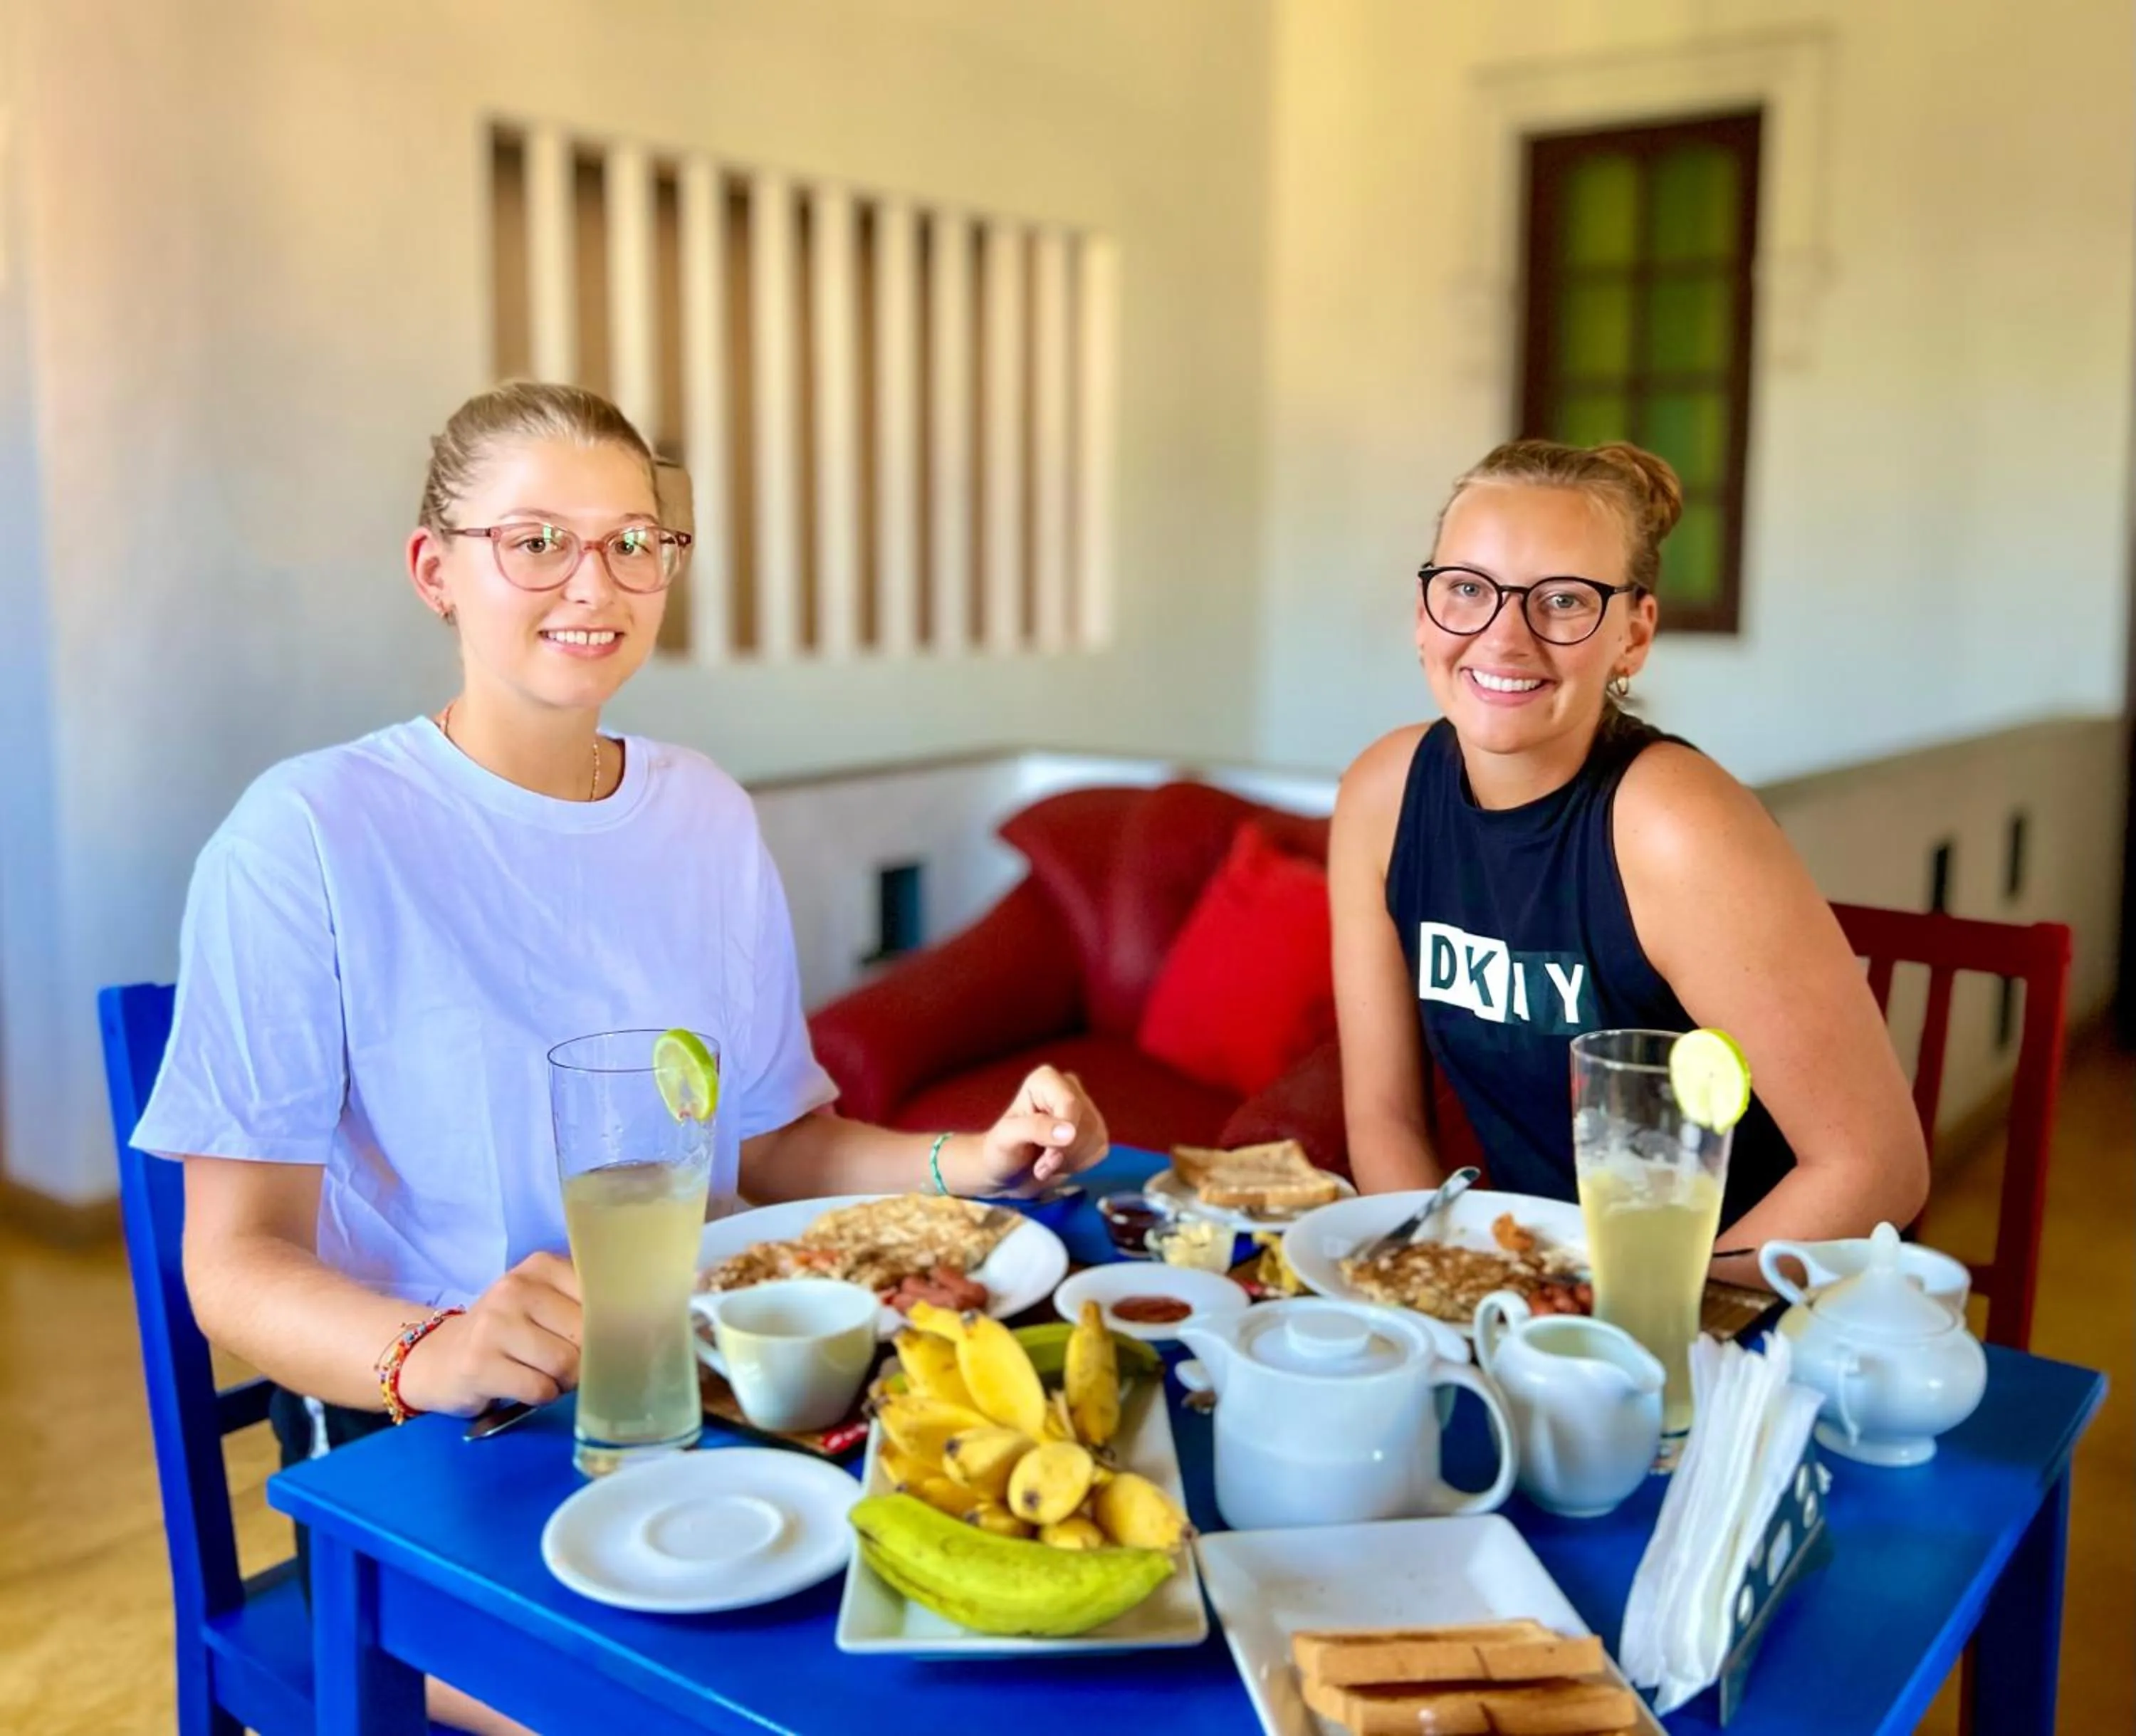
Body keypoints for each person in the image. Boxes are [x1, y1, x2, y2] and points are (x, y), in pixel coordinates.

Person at [132, 382, 1109, 1735]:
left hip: (691, 1393)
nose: (596, 581)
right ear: (437, 569)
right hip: (432, 1446)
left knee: (975, 1640)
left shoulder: (701, 810)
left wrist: (971, 1158)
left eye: (635, 542)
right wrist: (440, 1347)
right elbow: (231, 1263)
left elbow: (771, 1147)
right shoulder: (307, 834)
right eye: (535, 540)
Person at [1330, 439, 1926, 1278]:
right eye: (1467, 589)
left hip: (1738, 1302)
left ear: (1634, 633)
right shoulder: (1379, 797)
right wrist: (1451, 1292)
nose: (1504, 638)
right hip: (1544, 1291)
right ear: (1424, 613)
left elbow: (1877, 1170)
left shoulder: (1674, 826)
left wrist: (1630, 1317)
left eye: (1564, 601)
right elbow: (1386, 1116)